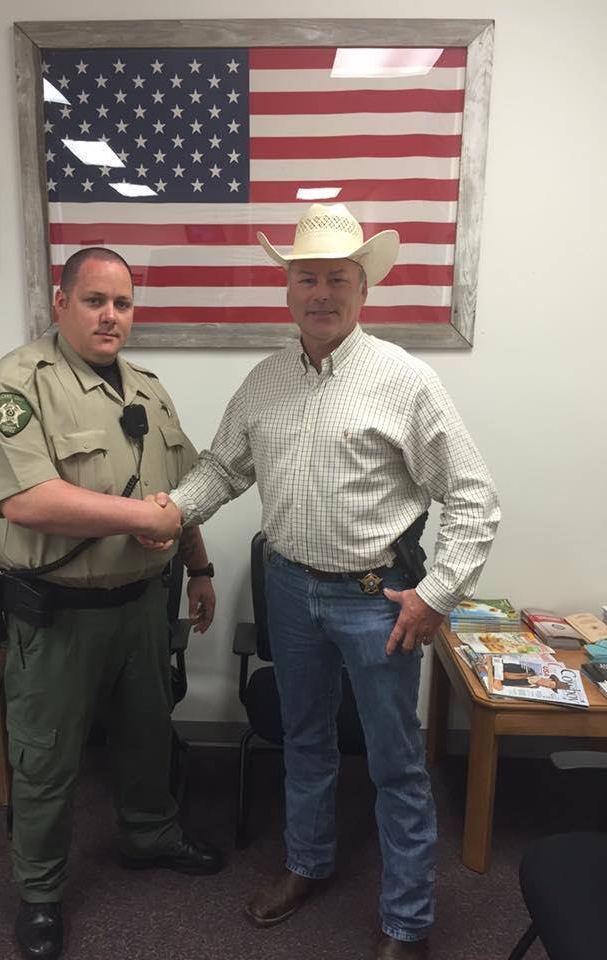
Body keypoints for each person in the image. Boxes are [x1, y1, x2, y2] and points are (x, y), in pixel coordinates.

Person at [148, 204, 500, 959]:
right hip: (290, 589)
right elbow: (223, 468)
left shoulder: (405, 380)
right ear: (287, 290)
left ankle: (407, 918)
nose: (320, 293)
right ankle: (306, 864)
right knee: (304, 742)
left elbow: (475, 498)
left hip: (381, 600)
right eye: (306, 277)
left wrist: (436, 595)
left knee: (394, 760)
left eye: (337, 278)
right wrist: (171, 513)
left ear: (362, 288)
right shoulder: (265, 380)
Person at [0, 247, 222, 960]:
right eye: (94, 300)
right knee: (45, 758)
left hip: (143, 605)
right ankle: (41, 890)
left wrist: (199, 568)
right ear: (61, 302)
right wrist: (142, 521)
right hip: (56, 616)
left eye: (123, 304)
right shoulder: (18, 386)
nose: (111, 316)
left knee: (147, 732)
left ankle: (149, 834)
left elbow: (185, 487)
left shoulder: (149, 389)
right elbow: (26, 499)